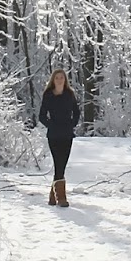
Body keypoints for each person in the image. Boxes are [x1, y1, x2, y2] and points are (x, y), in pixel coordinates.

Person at [38, 68, 81, 207]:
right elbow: (42, 116)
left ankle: (53, 195)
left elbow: (77, 112)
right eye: (57, 78)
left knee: (62, 164)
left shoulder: (70, 94)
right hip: (54, 134)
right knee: (58, 163)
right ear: (53, 80)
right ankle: (61, 198)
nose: (59, 80)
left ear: (65, 80)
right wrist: (52, 125)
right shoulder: (48, 95)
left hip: (67, 134)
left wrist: (71, 124)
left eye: (61, 77)